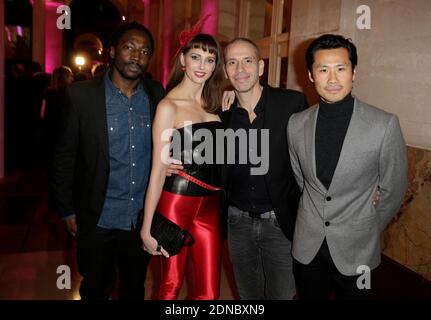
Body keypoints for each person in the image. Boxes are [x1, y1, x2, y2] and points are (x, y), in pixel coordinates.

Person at [287, 34, 408, 299]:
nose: (332, 79)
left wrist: (366, 227)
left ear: (354, 72)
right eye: (323, 69)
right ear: (310, 75)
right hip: (307, 247)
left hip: (358, 250)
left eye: (341, 68)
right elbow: (302, 180)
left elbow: (393, 189)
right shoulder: (296, 123)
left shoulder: (383, 125)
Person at [51, 22, 164, 300]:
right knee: (96, 288)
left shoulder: (156, 95)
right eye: (129, 47)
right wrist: (67, 210)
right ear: (113, 52)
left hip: (140, 218)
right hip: (97, 216)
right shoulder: (81, 96)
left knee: (133, 288)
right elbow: (63, 157)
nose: (137, 56)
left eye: (144, 51)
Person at [220, 38, 308, 300]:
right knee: (248, 297)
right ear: (225, 71)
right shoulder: (219, 113)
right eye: (232, 63)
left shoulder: (291, 104)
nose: (240, 69)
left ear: (260, 67)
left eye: (247, 61)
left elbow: (314, 152)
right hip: (237, 223)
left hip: (279, 223)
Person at [140, 33, 224, 300]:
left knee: (210, 293)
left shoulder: (214, 104)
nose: (202, 66)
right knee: (171, 285)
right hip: (177, 202)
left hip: (211, 205)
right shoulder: (168, 106)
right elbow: (157, 171)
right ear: (183, 60)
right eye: (196, 57)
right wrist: (146, 227)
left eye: (209, 60)